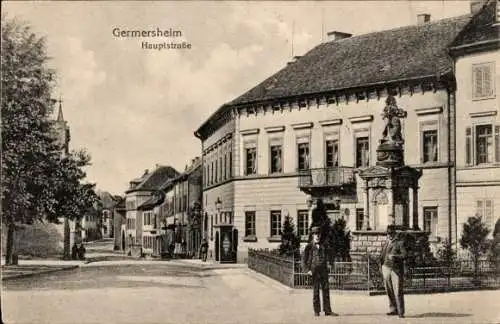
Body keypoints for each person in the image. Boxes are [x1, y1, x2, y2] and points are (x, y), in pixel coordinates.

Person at [301, 226, 337, 317]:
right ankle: (316, 311)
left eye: (318, 234)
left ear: (320, 235)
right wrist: (307, 270)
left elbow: (330, 254)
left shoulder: (324, 245)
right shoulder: (309, 246)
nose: (317, 236)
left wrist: (331, 264)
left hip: (324, 270)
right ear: (312, 235)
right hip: (314, 271)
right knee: (316, 291)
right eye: (315, 234)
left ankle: (327, 311)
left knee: (326, 290)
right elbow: (303, 260)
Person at [379, 225, 407, 318]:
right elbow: (382, 255)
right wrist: (382, 266)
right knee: (389, 290)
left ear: (395, 233)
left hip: (396, 270)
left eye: (391, 233)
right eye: (388, 233)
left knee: (398, 291)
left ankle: (400, 311)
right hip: (386, 268)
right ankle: (393, 309)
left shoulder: (400, 243)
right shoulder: (386, 242)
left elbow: (404, 255)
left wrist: (395, 257)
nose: (389, 235)